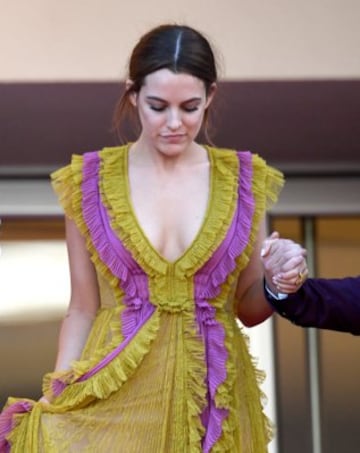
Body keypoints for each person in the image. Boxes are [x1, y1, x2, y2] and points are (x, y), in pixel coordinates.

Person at [0, 24, 307, 452]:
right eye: (158, 106)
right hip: (116, 395)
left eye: (191, 107)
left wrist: (278, 284)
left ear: (211, 97)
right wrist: (59, 395)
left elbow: (249, 309)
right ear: (132, 95)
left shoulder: (243, 181)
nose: (174, 123)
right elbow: (83, 308)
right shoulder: (90, 181)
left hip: (212, 400)